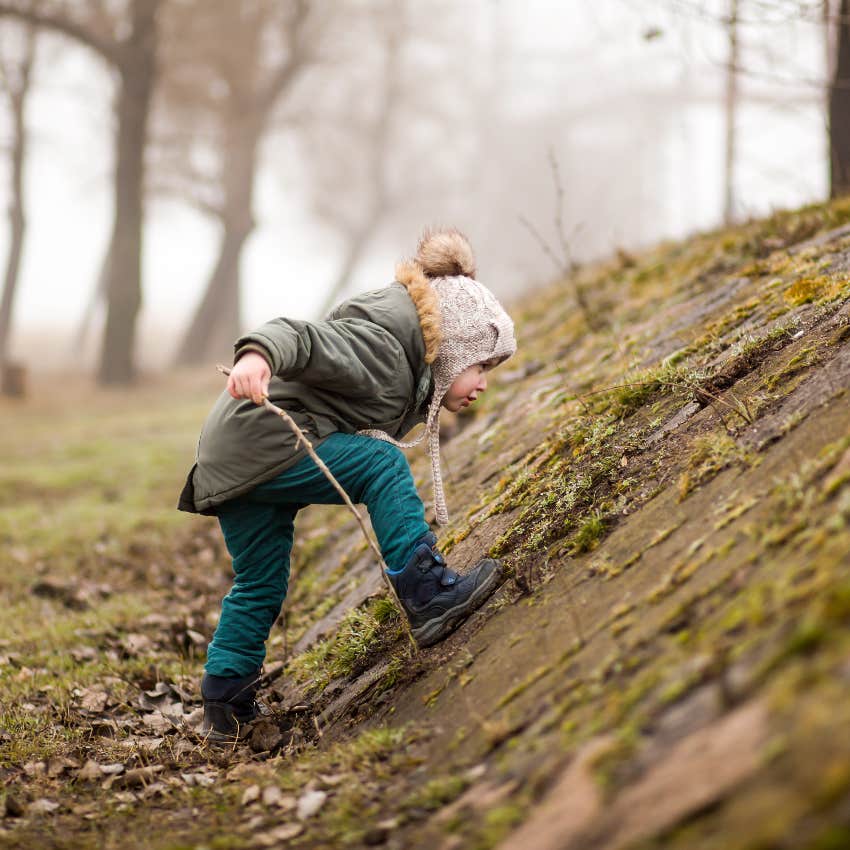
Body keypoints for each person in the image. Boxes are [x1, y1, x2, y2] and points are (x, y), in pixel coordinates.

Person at [178, 228, 517, 741]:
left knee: (260, 582)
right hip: (263, 436)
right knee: (382, 463)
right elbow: (303, 338)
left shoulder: (411, 359)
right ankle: (426, 593)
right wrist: (258, 355)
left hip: (233, 457)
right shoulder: (382, 343)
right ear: (452, 344)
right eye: (480, 364)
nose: (483, 382)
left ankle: (224, 701)